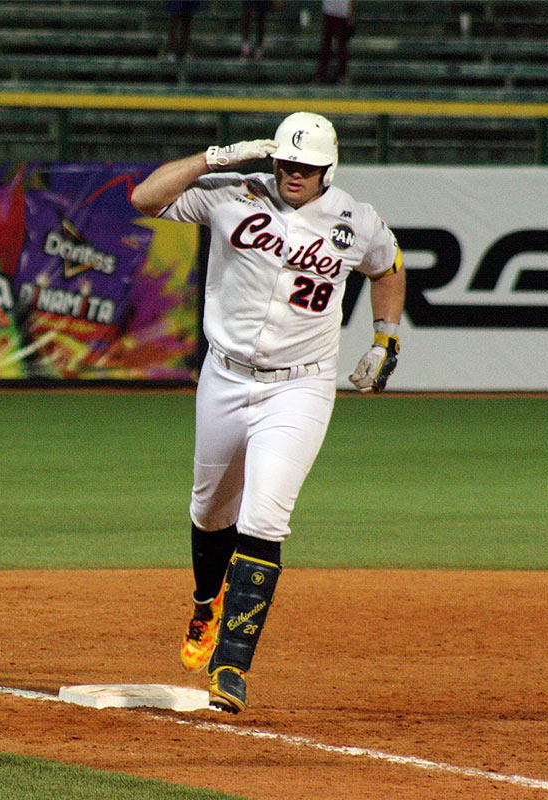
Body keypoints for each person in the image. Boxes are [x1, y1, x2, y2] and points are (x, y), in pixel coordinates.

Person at [130, 112, 405, 713]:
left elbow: (388, 268)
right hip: (224, 377)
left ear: (328, 169)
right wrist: (216, 157)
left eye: (306, 166)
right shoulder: (233, 195)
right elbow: (145, 198)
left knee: (265, 517)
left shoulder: (356, 221)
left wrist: (386, 339)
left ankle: (232, 666)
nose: (293, 173)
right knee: (209, 512)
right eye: (285, 161)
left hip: (300, 387)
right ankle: (205, 604)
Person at [315, 0, 354, 83]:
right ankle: (322, 73)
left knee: (341, 45)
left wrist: (350, 14)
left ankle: (342, 74)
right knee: (326, 44)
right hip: (329, 11)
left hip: (342, 12)